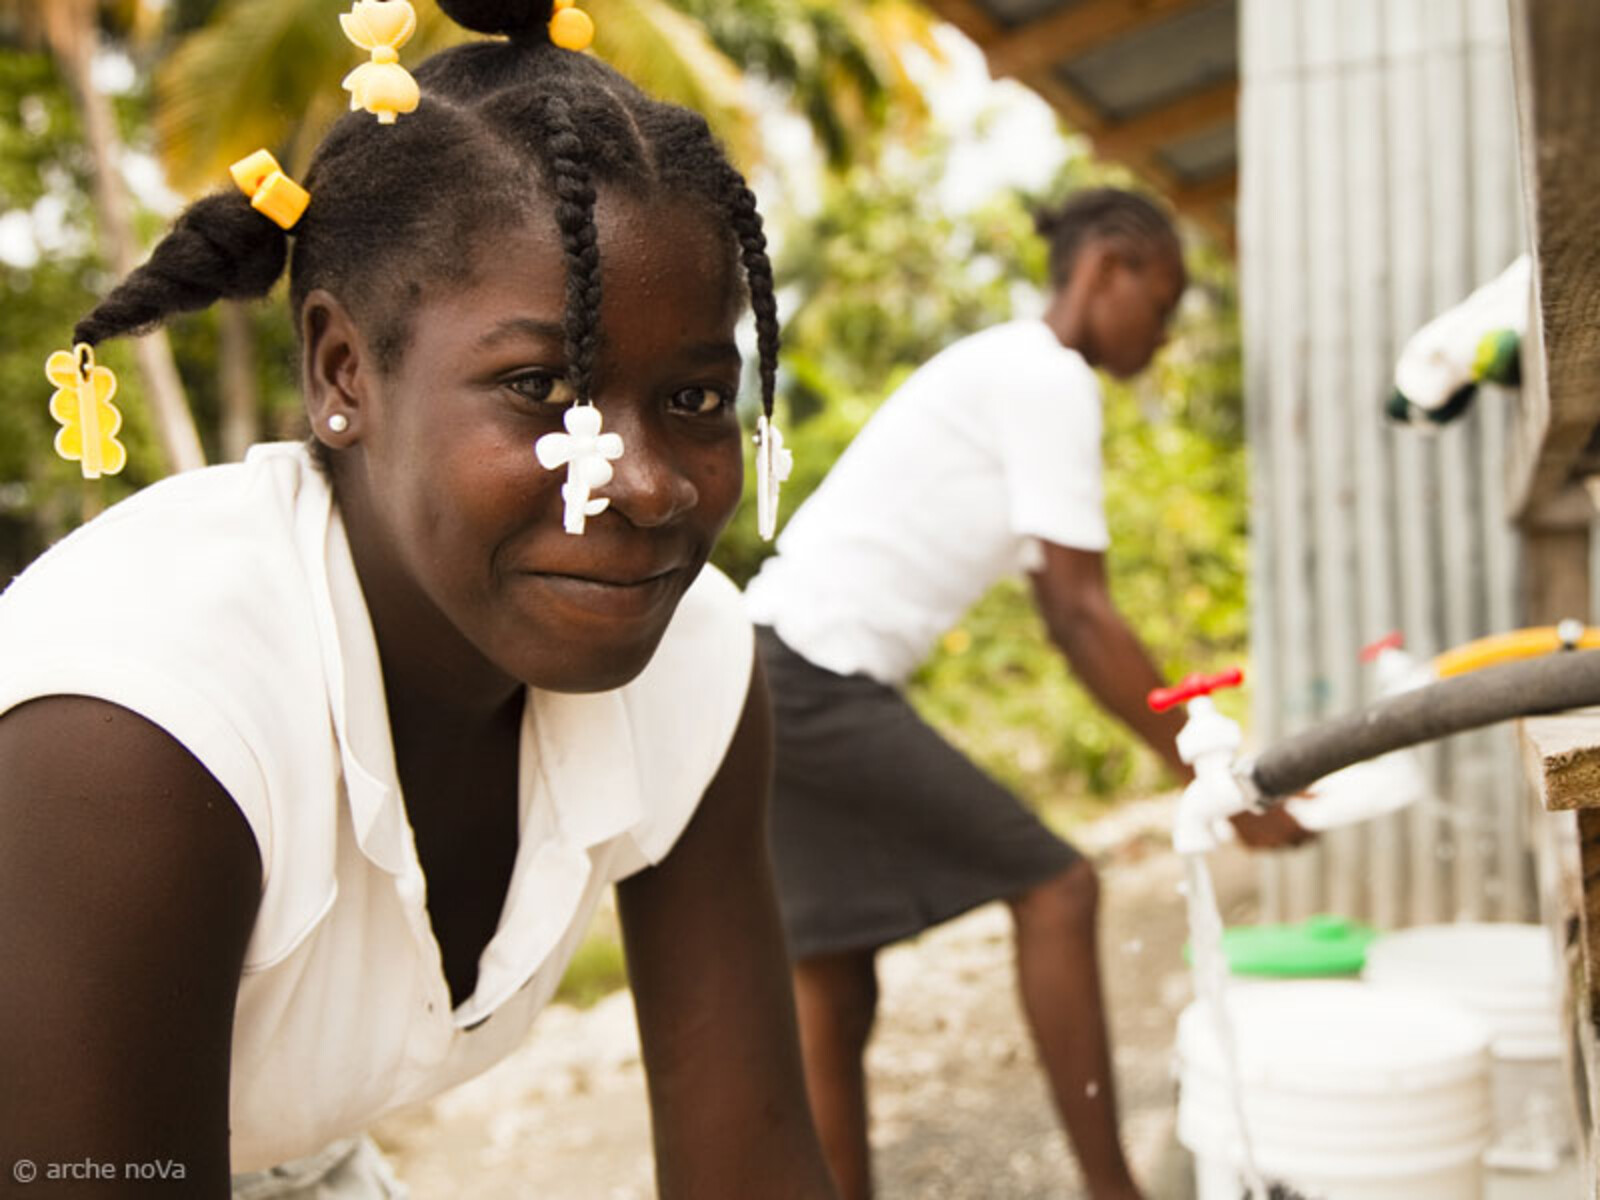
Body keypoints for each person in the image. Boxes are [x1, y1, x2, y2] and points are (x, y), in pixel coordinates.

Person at [0, 3, 836, 1197]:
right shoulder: (143, 720)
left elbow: (748, 1165)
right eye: (543, 386)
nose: (645, 485)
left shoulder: (688, 660)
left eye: (696, 401)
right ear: (344, 372)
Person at [744, 187, 1308, 1200]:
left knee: (832, 974)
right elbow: (1078, 614)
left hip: (768, 664)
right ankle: (1111, 1193)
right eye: (1163, 299)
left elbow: (1073, 616)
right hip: (811, 673)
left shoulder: (1001, 367)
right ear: (1106, 272)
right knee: (1058, 888)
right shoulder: (1046, 377)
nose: (1166, 330)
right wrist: (1214, 775)